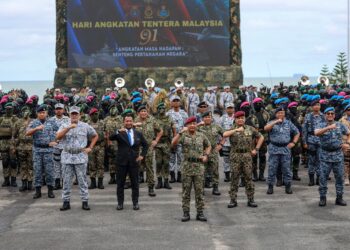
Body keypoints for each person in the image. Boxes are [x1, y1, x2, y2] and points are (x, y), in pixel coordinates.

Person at [56, 106, 98, 211]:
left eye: (76, 114)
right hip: (67, 155)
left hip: (80, 155)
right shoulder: (64, 125)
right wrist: (68, 128)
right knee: (66, 180)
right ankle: (66, 202)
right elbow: (58, 136)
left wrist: (90, 147)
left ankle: (85, 201)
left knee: (82, 180)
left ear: (79, 115)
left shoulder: (85, 126)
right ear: (69, 115)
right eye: (72, 114)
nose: (74, 115)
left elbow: (95, 135)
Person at [172, 116, 211, 222]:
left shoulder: (201, 135)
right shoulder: (184, 136)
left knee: (199, 191)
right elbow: (173, 143)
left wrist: (206, 155)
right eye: (190, 124)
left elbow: (208, 145)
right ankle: (186, 213)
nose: (193, 125)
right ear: (187, 125)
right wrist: (180, 132)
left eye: (194, 123)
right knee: (186, 191)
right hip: (187, 166)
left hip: (199, 167)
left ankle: (200, 212)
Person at [223, 111, 264, 208]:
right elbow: (224, 134)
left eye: (242, 118)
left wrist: (256, 149)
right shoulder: (232, 129)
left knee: (248, 178)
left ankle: (251, 199)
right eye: (238, 118)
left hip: (247, 155)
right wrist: (236, 130)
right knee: (234, 178)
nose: (240, 119)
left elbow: (261, 137)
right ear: (235, 119)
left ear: (244, 119)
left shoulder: (250, 129)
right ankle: (233, 200)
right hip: (235, 155)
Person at [110, 115, 148, 211]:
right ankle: (120, 203)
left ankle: (135, 203)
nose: (128, 123)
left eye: (130, 121)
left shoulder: (138, 133)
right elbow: (111, 137)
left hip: (134, 162)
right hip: (121, 162)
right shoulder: (120, 133)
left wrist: (142, 155)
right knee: (120, 184)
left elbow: (145, 145)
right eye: (126, 121)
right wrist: (117, 131)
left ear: (132, 122)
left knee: (135, 184)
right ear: (124, 122)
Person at [315, 107, 349, 207]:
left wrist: (346, 143)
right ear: (325, 115)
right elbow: (316, 133)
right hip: (325, 155)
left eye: (332, 113)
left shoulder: (340, 125)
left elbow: (348, 133)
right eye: (328, 113)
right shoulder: (320, 124)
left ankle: (339, 198)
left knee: (339, 178)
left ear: (334, 115)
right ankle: (322, 198)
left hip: (338, 155)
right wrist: (328, 127)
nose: (330, 115)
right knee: (323, 178)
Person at [264, 107, 300, 195]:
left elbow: (297, 132)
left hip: (285, 149)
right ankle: (270, 186)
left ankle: (288, 186)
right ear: (276, 114)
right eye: (279, 113)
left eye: (282, 113)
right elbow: (266, 128)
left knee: (287, 169)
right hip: (274, 148)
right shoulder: (272, 122)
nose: (281, 114)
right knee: (272, 168)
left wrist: (294, 142)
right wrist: (276, 121)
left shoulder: (289, 123)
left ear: (284, 114)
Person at [26, 104, 58, 199]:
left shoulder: (52, 122)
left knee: (49, 171)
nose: (42, 114)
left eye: (43, 112)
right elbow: (27, 133)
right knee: (38, 171)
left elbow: (59, 132)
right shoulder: (34, 123)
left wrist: (56, 141)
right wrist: (36, 128)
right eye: (40, 113)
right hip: (37, 150)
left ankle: (50, 191)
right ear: (37, 114)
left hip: (48, 150)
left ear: (46, 113)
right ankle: (38, 191)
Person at [134, 105, 163, 197]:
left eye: (145, 111)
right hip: (137, 148)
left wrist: (156, 140)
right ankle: (135, 188)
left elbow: (160, 131)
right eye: (141, 111)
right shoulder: (135, 121)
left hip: (149, 147)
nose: (143, 113)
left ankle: (151, 187)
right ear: (138, 113)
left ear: (147, 112)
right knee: (136, 167)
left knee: (149, 167)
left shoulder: (152, 120)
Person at [198, 111, 225, 195]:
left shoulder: (216, 127)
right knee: (202, 170)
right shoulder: (199, 128)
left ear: (211, 118)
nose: (207, 118)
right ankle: (201, 188)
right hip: (202, 151)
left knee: (215, 170)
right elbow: (188, 129)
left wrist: (221, 144)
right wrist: (198, 124)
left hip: (213, 151)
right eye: (205, 117)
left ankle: (215, 188)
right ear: (203, 118)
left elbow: (225, 134)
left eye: (209, 117)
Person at [302, 100, 325, 186]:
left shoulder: (324, 116)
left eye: (318, 105)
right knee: (311, 160)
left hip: (321, 141)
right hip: (311, 141)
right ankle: (311, 179)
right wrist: (304, 142)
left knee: (320, 160)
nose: (316, 107)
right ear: (312, 107)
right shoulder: (308, 116)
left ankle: (319, 178)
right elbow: (304, 130)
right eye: (315, 105)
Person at [166, 95, 188, 183]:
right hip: (171, 139)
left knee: (180, 157)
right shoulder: (168, 114)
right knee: (171, 158)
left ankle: (179, 175)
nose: (176, 102)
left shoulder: (184, 113)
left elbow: (187, 126)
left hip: (182, 139)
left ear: (180, 102)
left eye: (177, 101)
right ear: (171, 103)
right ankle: (172, 175)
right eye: (174, 101)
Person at [154, 102, 175, 190]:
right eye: (160, 108)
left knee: (166, 163)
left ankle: (166, 180)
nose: (162, 110)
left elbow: (174, 130)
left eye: (163, 108)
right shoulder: (155, 119)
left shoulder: (169, 118)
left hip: (167, 142)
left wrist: (174, 142)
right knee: (159, 162)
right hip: (158, 143)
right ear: (158, 110)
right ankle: (159, 181)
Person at [50, 103, 69, 190]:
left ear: (63, 110)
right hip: (55, 145)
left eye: (60, 109)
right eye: (57, 109)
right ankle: (57, 182)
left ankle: (65, 182)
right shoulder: (51, 120)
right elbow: (49, 132)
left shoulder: (67, 119)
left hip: (65, 145)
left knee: (65, 164)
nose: (58, 110)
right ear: (55, 110)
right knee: (56, 164)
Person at [0, 103, 19, 187]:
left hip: (12, 142)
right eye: (7, 108)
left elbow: (20, 131)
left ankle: (13, 180)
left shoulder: (15, 119)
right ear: (5, 109)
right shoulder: (1, 119)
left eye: (10, 108)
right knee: (5, 162)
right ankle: (6, 180)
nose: (8, 110)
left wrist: (17, 142)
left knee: (13, 162)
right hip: (3, 141)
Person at [87, 108, 106, 190]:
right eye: (93, 114)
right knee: (92, 164)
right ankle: (93, 182)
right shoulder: (87, 124)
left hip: (100, 146)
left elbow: (106, 133)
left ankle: (100, 182)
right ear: (90, 115)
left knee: (100, 164)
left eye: (96, 114)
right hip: (91, 146)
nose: (95, 115)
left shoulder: (102, 123)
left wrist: (105, 143)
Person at [219, 103, 235, 182]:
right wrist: (220, 142)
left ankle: (235, 174)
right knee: (226, 159)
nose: (230, 109)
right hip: (225, 142)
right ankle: (227, 175)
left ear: (233, 109)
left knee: (235, 159)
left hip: (235, 143)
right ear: (226, 109)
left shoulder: (237, 118)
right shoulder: (222, 118)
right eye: (228, 108)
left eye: (231, 108)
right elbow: (219, 131)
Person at [339, 104, 350, 186]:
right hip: (346, 143)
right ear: (346, 111)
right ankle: (346, 177)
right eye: (348, 110)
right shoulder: (342, 120)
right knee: (346, 161)